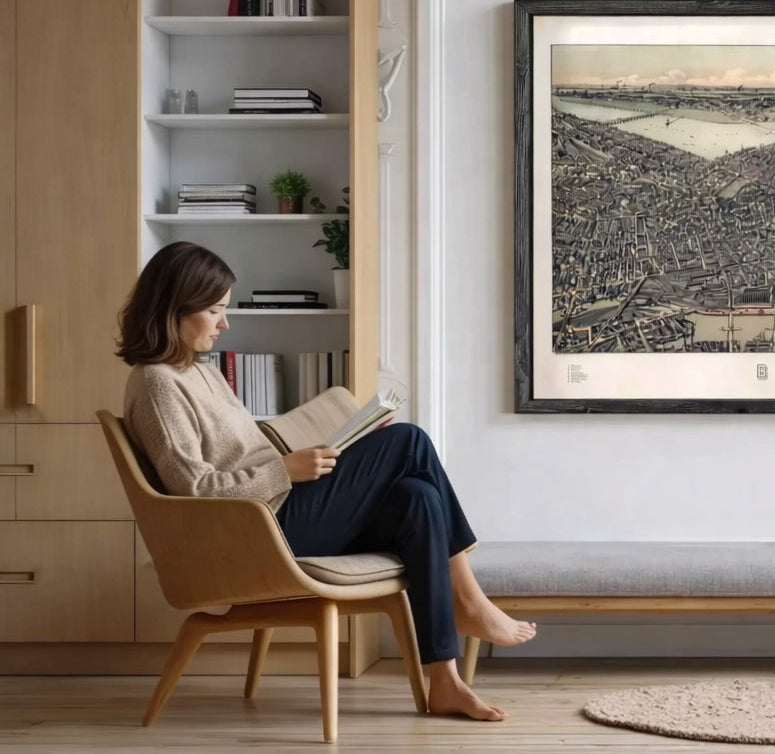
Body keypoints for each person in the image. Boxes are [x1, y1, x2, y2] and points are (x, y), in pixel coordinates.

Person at [114, 241, 534, 722]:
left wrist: (302, 459)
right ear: (173, 308)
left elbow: (238, 455)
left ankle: (444, 681)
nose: (224, 323)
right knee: (408, 441)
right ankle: (470, 601)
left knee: (417, 497)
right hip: (258, 531)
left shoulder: (199, 372)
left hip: (281, 509)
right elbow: (194, 490)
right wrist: (284, 470)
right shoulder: (156, 384)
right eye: (214, 310)